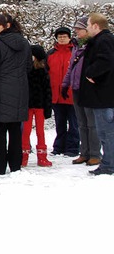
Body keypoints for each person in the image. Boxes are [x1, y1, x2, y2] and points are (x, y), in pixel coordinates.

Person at [0, 13, 31, 175]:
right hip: (20, 90)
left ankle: (0, 167)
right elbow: (29, 66)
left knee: (0, 130)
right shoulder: (24, 42)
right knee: (16, 130)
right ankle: (16, 165)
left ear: (7, 25)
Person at [62, 16, 102, 166]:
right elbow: (71, 67)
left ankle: (95, 154)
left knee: (92, 124)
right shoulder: (76, 46)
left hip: (89, 89)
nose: (76, 31)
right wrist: (66, 84)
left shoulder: (93, 46)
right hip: (77, 88)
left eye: (79, 29)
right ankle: (84, 152)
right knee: (81, 123)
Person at [80, 13, 114, 175]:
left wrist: (90, 73)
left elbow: (106, 60)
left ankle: (109, 165)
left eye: (87, 25)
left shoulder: (104, 40)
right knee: (107, 131)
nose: (86, 28)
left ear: (95, 26)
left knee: (106, 132)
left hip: (103, 95)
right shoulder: (105, 40)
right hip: (104, 94)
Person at [48, 26, 79, 157]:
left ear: (69, 37)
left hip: (72, 95)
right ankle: (59, 146)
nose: (62, 39)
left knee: (74, 124)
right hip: (56, 95)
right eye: (59, 37)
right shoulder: (51, 53)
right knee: (59, 124)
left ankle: (72, 147)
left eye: (64, 36)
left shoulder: (75, 52)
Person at [22, 45, 53, 167]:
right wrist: (48, 107)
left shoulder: (26, 71)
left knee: (26, 131)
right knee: (39, 132)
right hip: (38, 105)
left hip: (29, 105)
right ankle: (41, 157)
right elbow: (47, 91)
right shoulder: (43, 71)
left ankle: (24, 157)